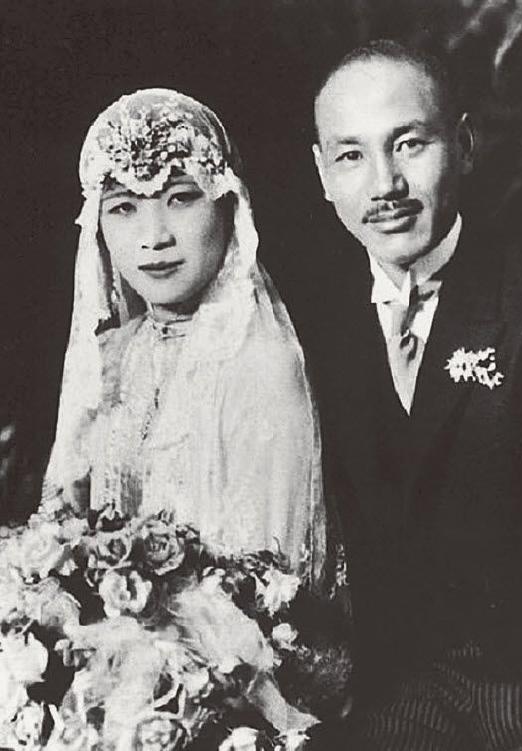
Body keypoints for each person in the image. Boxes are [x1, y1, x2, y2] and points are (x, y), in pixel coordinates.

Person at [289, 39, 522, 749]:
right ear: (322, 174)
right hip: (393, 694)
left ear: (463, 145)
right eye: (351, 155)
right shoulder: (306, 325)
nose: (385, 185)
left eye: (408, 144)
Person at [42, 88, 326, 585]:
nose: (154, 237)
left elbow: (268, 588)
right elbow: (62, 530)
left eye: (180, 198)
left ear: (228, 206)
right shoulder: (110, 358)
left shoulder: (262, 366)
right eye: (123, 208)